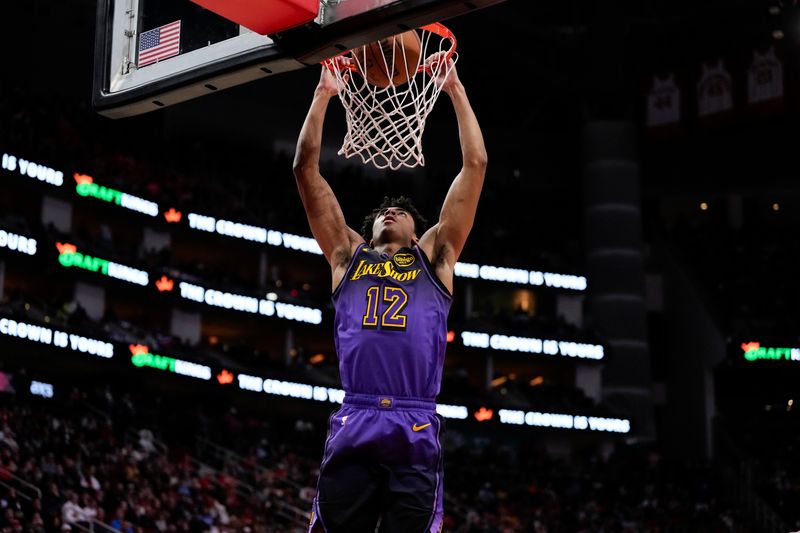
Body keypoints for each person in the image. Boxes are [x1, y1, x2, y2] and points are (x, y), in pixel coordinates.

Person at [293, 54, 487, 533]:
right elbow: (304, 168)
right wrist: (323, 96)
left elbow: (476, 163)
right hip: (357, 413)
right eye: (385, 210)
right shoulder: (345, 256)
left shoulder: (436, 257)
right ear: (370, 227)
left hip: (414, 421)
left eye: (403, 210)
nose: (393, 210)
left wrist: (455, 91)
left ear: (421, 230)